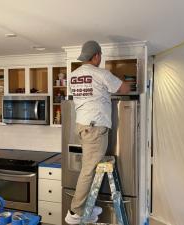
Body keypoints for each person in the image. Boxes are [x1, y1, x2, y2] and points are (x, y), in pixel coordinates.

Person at [65, 40, 130, 224]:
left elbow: (85, 95)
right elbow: (124, 88)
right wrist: (127, 80)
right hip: (95, 128)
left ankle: (87, 207)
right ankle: (75, 211)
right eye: (99, 56)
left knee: (90, 168)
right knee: (88, 170)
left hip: (82, 125)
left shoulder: (73, 75)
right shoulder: (101, 74)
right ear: (96, 56)